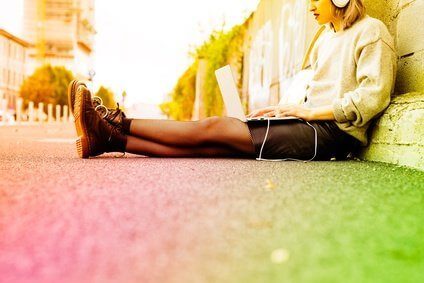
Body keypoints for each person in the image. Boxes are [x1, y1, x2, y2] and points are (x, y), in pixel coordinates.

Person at [69, 0, 397, 160]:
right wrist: (289, 108)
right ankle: (109, 140)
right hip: (310, 124)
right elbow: (311, 90)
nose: (310, 6)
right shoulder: (325, 37)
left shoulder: (372, 32)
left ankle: (115, 122)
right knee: (214, 145)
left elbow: (373, 96)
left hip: (334, 134)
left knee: (213, 128)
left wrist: (310, 113)